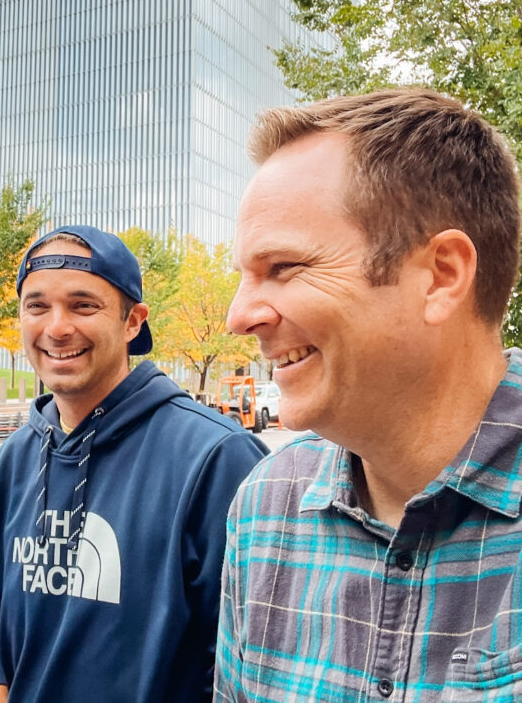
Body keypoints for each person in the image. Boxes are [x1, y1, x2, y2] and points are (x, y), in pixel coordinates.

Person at [217, 89, 522, 702]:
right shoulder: (264, 506)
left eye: (283, 267)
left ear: (441, 276)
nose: (238, 315)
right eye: (245, 276)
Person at [0, 225, 267, 703]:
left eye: (83, 305)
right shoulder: (4, 469)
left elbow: (251, 660)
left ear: (132, 322)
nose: (57, 328)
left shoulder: (214, 459)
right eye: (37, 305)